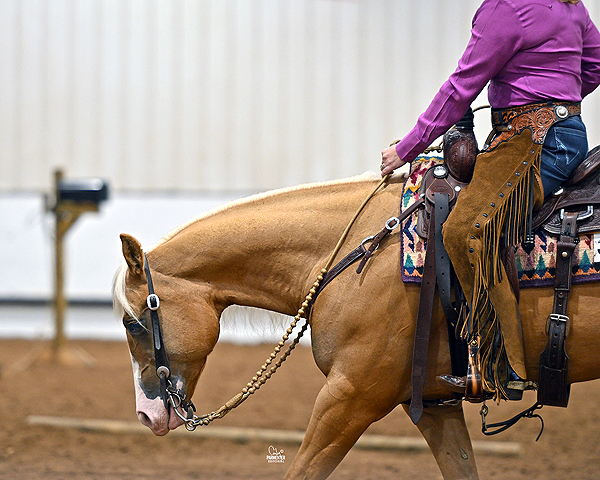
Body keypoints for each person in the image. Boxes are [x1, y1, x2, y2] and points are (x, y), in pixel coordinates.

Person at [380, 0, 600, 400]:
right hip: (567, 134)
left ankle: (503, 364)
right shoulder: (573, 5)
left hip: (530, 142)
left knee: (464, 230)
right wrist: (559, 101)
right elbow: (595, 66)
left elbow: (461, 86)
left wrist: (407, 148)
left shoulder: (507, 7)